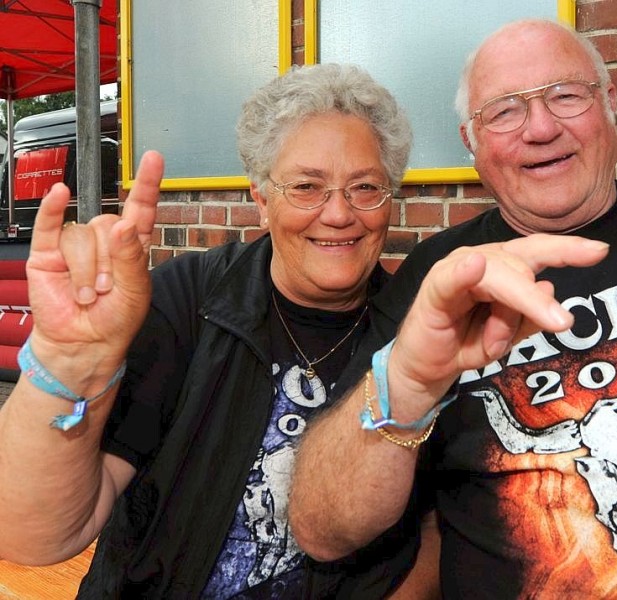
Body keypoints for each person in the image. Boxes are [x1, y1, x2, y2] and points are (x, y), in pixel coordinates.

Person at [289, 19, 617, 599]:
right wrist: (407, 381)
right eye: (504, 111)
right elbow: (323, 530)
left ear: (610, 105)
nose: (540, 127)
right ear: (471, 143)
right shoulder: (438, 283)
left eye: (565, 95)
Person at [0, 63, 438, 598]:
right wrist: (69, 360)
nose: (339, 214)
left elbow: (435, 531)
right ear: (260, 198)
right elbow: (34, 537)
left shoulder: (421, 334)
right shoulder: (188, 302)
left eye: (365, 187)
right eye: (306, 187)